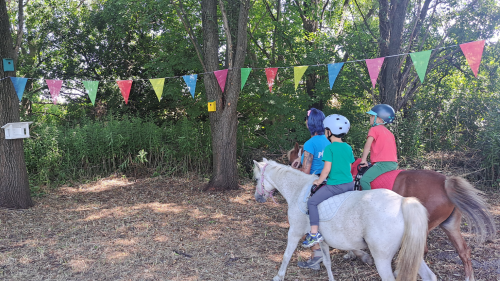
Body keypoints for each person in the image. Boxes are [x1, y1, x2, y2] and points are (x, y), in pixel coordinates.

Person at [302, 114, 355, 249]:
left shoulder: (330, 148)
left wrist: (319, 181)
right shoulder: (348, 147)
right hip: (349, 184)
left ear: (329, 131)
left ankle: (314, 233)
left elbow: (326, 170)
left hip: (335, 186)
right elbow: (349, 167)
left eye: (326, 129)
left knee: (312, 202)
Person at [292, 108, 331, 270]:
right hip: (330, 181)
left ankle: (316, 254)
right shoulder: (329, 142)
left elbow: (306, 172)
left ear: (310, 123)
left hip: (314, 182)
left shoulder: (309, 143)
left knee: (297, 218)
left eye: (306, 120)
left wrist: (293, 170)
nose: (305, 122)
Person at [359, 104, 398, 190]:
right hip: (393, 164)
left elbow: (367, 146)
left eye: (373, 116)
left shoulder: (374, 129)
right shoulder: (390, 133)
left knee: (364, 181)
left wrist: (363, 160)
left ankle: (369, 202)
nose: (370, 118)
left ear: (380, 119)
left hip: (383, 164)